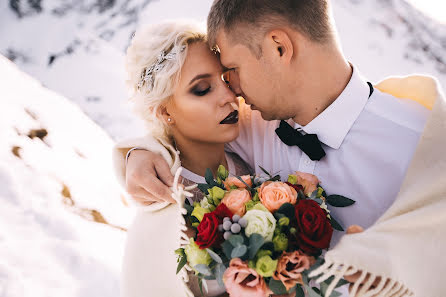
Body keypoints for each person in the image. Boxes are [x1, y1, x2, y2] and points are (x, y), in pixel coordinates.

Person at [115, 1, 446, 297]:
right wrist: (139, 152)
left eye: (231, 73)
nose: (233, 92)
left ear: (278, 47)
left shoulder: (422, 145)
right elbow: (182, 129)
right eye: (214, 83)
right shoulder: (252, 124)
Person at [119, 21, 253, 297]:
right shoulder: (165, 205)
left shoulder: (248, 160)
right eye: (203, 89)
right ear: (164, 112)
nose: (229, 97)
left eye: (226, 80)